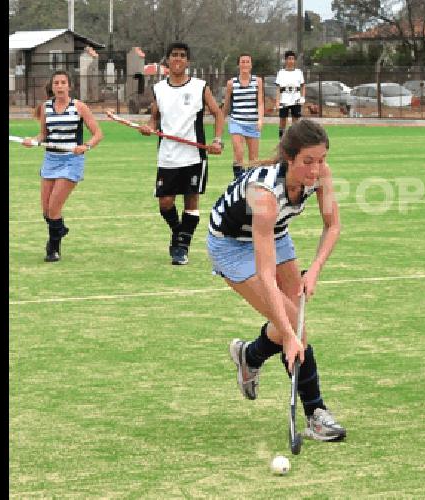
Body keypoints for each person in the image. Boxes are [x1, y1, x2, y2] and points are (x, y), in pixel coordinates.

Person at [214, 119, 347, 442]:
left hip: (277, 234)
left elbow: (333, 226)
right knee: (293, 325)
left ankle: (251, 355)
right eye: (307, 162)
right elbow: (265, 274)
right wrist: (288, 335)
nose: (316, 170)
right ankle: (316, 414)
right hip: (232, 245)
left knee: (294, 323)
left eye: (321, 160)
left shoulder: (320, 176)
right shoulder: (264, 195)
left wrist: (313, 269)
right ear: (289, 158)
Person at [137, 42, 226, 266]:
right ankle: (178, 232)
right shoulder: (159, 89)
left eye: (182, 56)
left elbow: (218, 113)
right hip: (167, 154)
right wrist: (148, 126)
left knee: (191, 202)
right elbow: (154, 118)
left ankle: (182, 246)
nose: (178, 59)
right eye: (174, 55)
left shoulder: (199, 87)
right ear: (167, 61)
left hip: (194, 155)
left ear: (188, 61)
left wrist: (217, 140)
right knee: (165, 203)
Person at [21, 70, 103, 262]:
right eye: (56, 83)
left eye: (62, 82)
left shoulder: (79, 107)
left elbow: (98, 134)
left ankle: (53, 248)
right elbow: (43, 135)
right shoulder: (45, 108)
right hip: (51, 159)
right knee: (46, 211)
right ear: (52, 86)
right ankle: (60, 229)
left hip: (71, 160)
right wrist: (32, 141)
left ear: (69, 86)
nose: (59, 86)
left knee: (54, 207)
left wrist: (86, 146)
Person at [222, 54, 265, 179]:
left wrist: (260, 119)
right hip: (236, 122)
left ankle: (250, 181)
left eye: (247, 62)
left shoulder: (258, 81)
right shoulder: (231, 83)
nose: (245, 64)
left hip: (252, 123)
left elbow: (260, 102)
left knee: (253, 158)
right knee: (239, 152)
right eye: (242, 62)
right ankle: (238, 180)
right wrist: (221, 121)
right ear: (238, 64)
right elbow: (226, 105)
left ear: (251, 65)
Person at [275, 50, 306, 139]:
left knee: (296, 120)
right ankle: (282, 140)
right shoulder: (281, 72)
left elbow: (303, 86)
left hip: (295, 98)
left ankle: (294, 139)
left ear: (295, 60)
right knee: (282, 120)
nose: (291, 61)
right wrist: (277, 101)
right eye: (289, 59)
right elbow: (278, 88)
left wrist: (302, 97)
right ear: (285, 60)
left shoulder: (299, 72)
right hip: (284, 98)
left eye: (292, 59)